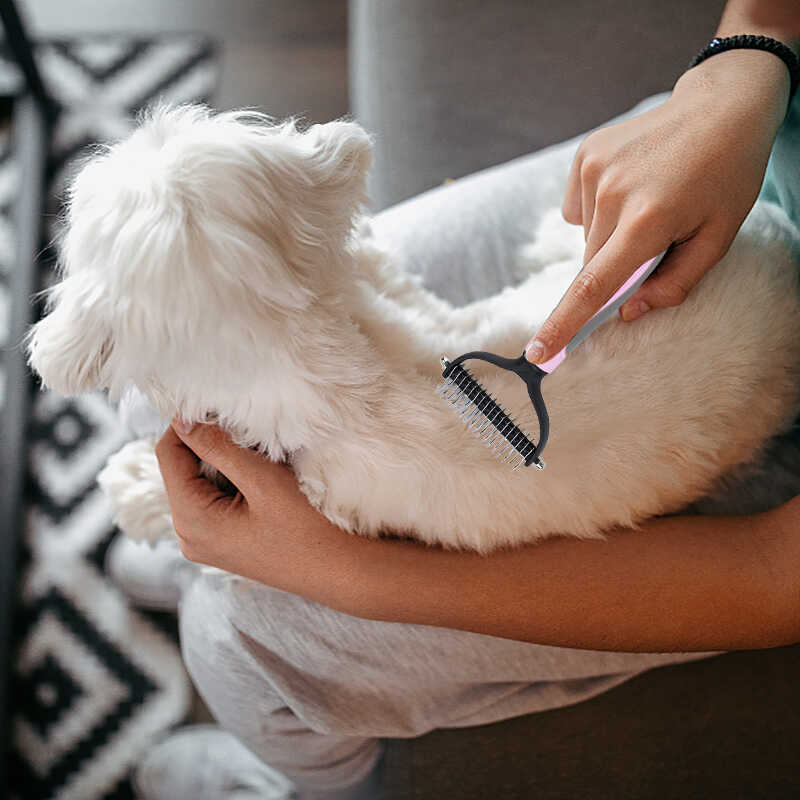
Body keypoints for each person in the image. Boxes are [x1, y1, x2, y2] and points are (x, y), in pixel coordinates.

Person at [135, 1, 800, 798]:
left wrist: (354, 576)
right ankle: (173, 531)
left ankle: (304, 785)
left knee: (233, 639)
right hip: (742, 146)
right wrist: (749, 57)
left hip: (771, 422)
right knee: (164, 378)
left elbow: (775, 574)